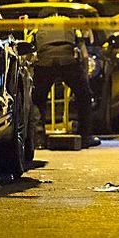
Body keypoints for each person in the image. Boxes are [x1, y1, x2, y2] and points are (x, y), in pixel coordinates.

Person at [31, 18, 100, 148]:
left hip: (44, 62)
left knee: (37, 99)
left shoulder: (37, 26)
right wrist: (84, 76)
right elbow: (84, 54)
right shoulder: (69, 23)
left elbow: (30, 51)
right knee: (84, 96)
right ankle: (85, 137)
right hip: (67, 61)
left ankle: (38, 138)